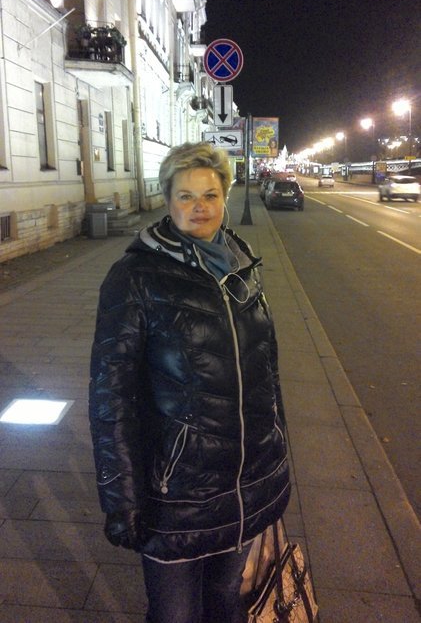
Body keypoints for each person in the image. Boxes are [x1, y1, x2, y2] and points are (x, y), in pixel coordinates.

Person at [89, 141, 290, 623]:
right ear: (167, 200)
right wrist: (121, 498)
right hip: (176, 494)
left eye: (210, 195)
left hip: (244, 487)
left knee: (226, 602)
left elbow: (266, 373)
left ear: (225, 197)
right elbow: (111, 396)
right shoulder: (135, 276)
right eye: (186, 196)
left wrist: (277, 452)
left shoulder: (242, 265)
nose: (200, 207)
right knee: (175, 614)